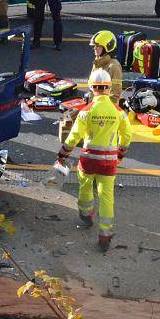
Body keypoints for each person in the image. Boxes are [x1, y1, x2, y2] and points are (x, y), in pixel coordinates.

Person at [57, 69, 132, 252]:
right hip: (109, 163)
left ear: (91, 88)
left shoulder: (86, 111)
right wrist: (120, 154)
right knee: (107, 197)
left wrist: (63, 154)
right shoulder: (118, 112)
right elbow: (127, 137)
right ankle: (105, 236)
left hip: (88, 160)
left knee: (85, 188)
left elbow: (74, 137)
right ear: (108, 88)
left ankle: (86, 215)